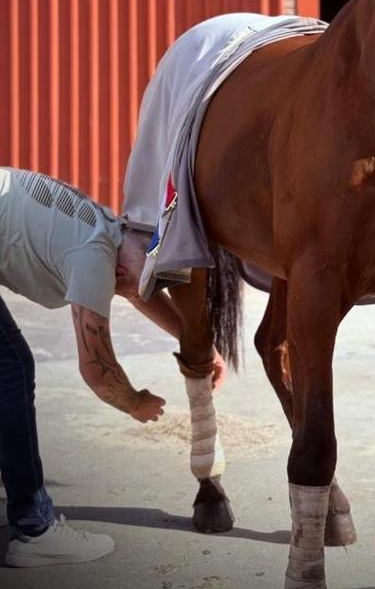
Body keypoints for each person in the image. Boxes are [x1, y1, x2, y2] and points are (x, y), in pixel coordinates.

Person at [0, 166, 224, 568]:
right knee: (12, 369)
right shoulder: (94, 255)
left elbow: (136, 287)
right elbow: (96, 370)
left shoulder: (110, 229)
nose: (128, 286)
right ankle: (35, 531)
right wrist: (134, 402)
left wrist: (196, 344)